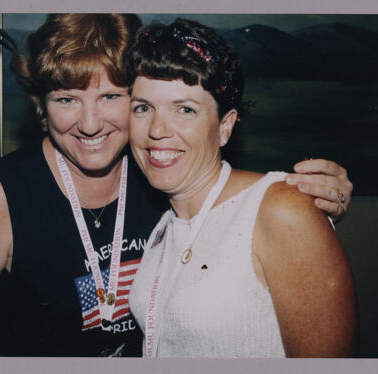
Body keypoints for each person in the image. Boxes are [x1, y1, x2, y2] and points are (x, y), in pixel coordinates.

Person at [0, 14, 353, 357]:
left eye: (112, 98)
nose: (91, 123)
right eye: (66, 99)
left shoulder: (160, 176)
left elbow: (230, 197)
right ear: (41, 105)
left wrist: (304, 199)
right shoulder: (0, 195)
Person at [126, 19, 357, 358]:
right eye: (143, 108)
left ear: (224, 127)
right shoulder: (162, 226)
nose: (157, 129)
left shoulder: (279, 208)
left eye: (185, 109)